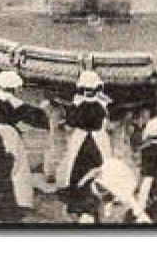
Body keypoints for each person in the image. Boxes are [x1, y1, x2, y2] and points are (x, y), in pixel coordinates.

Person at [0, 70, 48, 223]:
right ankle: (9, 205)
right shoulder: (12, 101)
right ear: (13, 87)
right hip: (7, 135)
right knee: (13, 168)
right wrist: (44, 110)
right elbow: (30, 115)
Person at [57, 69, 115, 221]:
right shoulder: (102, 103)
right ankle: (100, 201)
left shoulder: (79, 104)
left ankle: (81, 202)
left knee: (78, 169)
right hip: (97, 139)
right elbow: (107, 118)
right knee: (100, 168)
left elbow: (71, 121)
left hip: (82, 140)